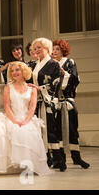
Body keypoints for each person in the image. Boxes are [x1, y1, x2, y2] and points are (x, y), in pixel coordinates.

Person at [3, 61, 52, 176]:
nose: (15, 73)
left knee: (29, 131)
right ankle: (19, 163)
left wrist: (26, 121)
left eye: (17, 70)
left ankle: (31, 164)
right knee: (16, 130)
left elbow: (32, 107)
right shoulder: (8, 87)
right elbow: (6, 106)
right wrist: (15, 121)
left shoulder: (32, 89)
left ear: (23, 71)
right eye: (12, 71)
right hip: (12, 117)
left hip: (27, 117)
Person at [52, 39, 89, 169]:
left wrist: (64, 74)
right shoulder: (50, 64)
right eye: (53, 49)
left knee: (73, 129)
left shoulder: (70, 62)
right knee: (57, 131)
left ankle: (76, 157)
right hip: (55, 102)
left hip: (68, 101)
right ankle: (60, 159)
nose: (54, 52)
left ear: (63, 50)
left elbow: (75, 79)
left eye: (57, 49)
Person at [31, 38, 65, 171]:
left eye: (39, 47)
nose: (36, 50)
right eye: (35, 48)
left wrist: (41, 89)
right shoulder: (35, 65)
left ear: (47, 49)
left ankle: (59, 160)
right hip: (37, 102)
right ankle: (47, 159)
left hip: (49, 101)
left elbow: (56, 83)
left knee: (51, 130)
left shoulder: (54, 64)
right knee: (41, 131)